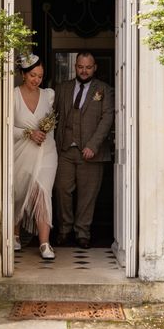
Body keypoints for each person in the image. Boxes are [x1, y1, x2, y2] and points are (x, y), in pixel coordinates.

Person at [53, 51, 114, 249]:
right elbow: (53, 116)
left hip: (91, 153)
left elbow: (107, 119)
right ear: (75, 67)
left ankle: (82, 232)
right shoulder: (62, 88)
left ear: (95, 67)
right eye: (80, 67)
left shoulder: (105, 90)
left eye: (88, 67)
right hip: (65, 150)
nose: (84, 71)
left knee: (88, 195)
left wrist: (92, 145)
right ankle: (64, 230)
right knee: (62, 191)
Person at [13, 54, 57, 260]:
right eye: (32, 75)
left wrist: (45, 131)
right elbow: (5, 127)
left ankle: (44, 243)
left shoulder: (49, 95)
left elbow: (52, 123)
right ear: (23, 74)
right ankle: (14, 236)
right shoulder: (13, 96)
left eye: (40, 76)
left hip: (46, 152)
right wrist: (27, 133)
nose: (36, 80)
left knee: (44, 192)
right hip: (21, 151)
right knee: (19, 191)